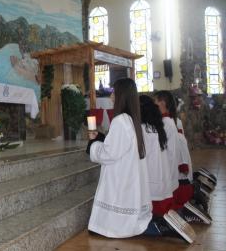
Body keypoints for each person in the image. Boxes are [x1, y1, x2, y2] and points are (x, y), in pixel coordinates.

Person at [86, 78, 152, 238]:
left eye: (114, 92)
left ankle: (115, 225)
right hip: (128, 173)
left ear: (121, 95)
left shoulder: (120, 121)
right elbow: (118, 143)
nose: (111, 97)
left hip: (121, 175)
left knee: (109, 218)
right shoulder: (132, 119)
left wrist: (93, 144)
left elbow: (109, 153)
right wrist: (101, 137)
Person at [139, 95, 196, 243]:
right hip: (165, 178)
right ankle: (174, 218)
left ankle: (163, 227)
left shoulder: (160, 124)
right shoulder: (164, 123)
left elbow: (170, 153)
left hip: (162, 179)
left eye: (156, 101)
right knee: (163, 208)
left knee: (146, 221)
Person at [154, 91, 211, 224]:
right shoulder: (168, 121)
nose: (153, 106)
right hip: (175, 177)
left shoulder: (167, 123)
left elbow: (171, 151)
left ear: (162, 103)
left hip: (175, 179)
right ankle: (193, 193)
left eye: (155, 102)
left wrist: (180, 165)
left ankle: (186, 207)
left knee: (165, 207)